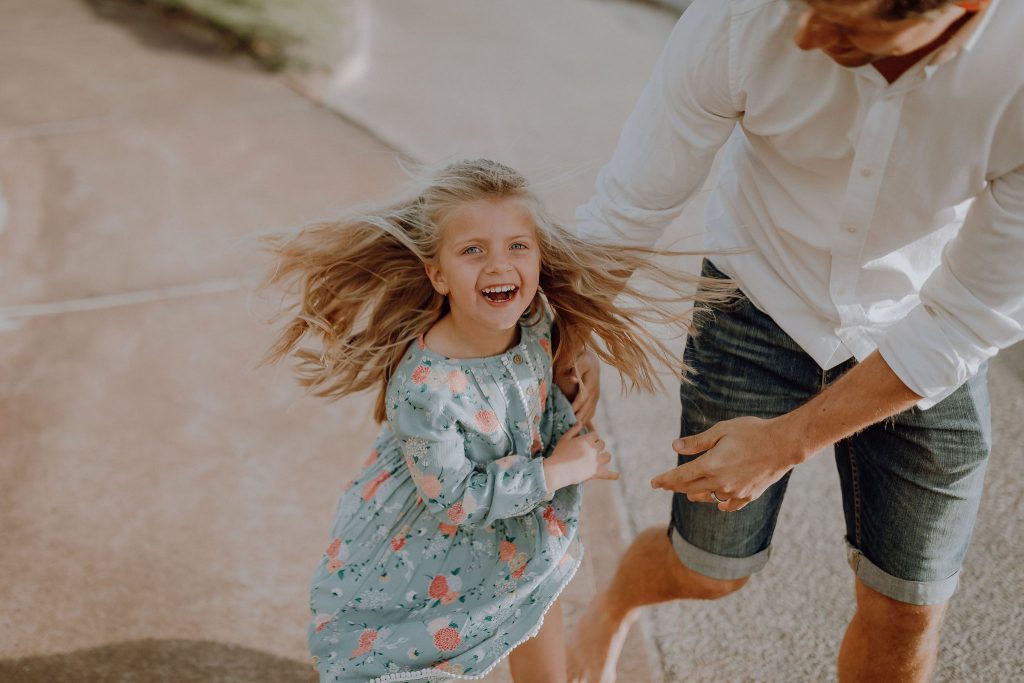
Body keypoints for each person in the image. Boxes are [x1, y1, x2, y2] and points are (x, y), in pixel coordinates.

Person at [567, 0, 1023, 681]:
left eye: (845, 21)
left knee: (909, 608)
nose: (806, 33)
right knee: (707, 567)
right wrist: (576, 332)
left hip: (924, 329)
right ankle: (606, 612)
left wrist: (786, 442)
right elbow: (633, 203)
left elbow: (968, 317)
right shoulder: (742, 15)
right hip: (757, 294)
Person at [261, 159, 730, 683]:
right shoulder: (424, 390)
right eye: (472, 250)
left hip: (516, 540)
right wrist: (556, 472)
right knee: (427, 664)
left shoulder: (536, 321)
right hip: (428, 556)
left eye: (517, 246)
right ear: (437, 274)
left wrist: (571, 380)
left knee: (532, 609)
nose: (499, 264)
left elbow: (530, 399)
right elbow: (457, 499)